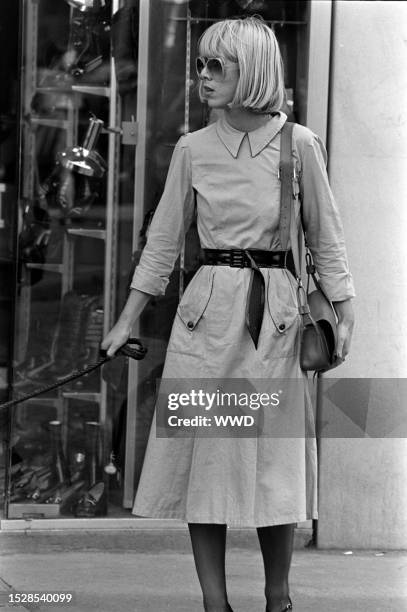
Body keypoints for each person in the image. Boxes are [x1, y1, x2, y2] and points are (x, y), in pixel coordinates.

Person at [102, 16, 355, 612]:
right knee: (205, 464)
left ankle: (278, 599)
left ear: (255, 71)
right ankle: (216, 605)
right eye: (200, 65)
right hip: (205, 318)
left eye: (218, 65)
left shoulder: (298, 143)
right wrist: (124, 321)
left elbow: (327, 237)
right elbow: (163, 243)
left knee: (274, 463)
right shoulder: (193, 148)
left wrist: (345, 313)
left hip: (278, 319)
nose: (203, 77)